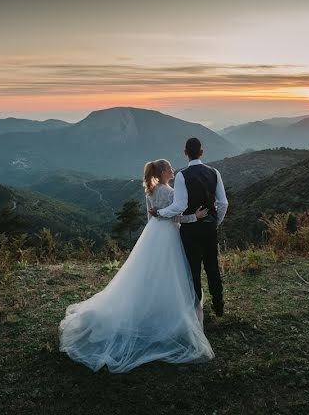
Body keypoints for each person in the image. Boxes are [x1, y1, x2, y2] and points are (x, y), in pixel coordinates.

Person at [58, 159, 214, 373]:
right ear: (163, 172)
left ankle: (150, 306)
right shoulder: (169, 192)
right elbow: (174, 217)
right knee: (171, 275)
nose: (172, 169)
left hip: (152, 235)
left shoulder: (150, 192)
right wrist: (194, 217)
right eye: (169, 167)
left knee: (148, 274)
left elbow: (152, 216)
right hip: (168, 236)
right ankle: (168, 311)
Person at [149, 137, 229, 319]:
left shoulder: (182, 175)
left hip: (191, 229)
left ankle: (196, 311)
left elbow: (179, 206)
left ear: (185, 153)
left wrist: (160, 213)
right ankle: (219, 306)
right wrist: (215, 221)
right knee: (212, 266)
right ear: (202, 152)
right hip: (209, 227)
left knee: (193, 269)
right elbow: (223, 202)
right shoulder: (214, 172)